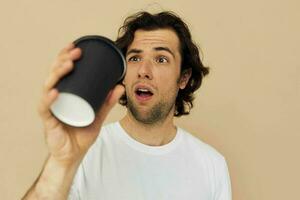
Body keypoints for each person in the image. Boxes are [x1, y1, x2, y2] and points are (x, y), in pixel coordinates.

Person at [22, 11, 232, 200]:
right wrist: (62, 162)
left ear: (183, 78)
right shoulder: (85, 152)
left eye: (161, 59)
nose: (143, 70)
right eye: (134, 58)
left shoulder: (212, 166)